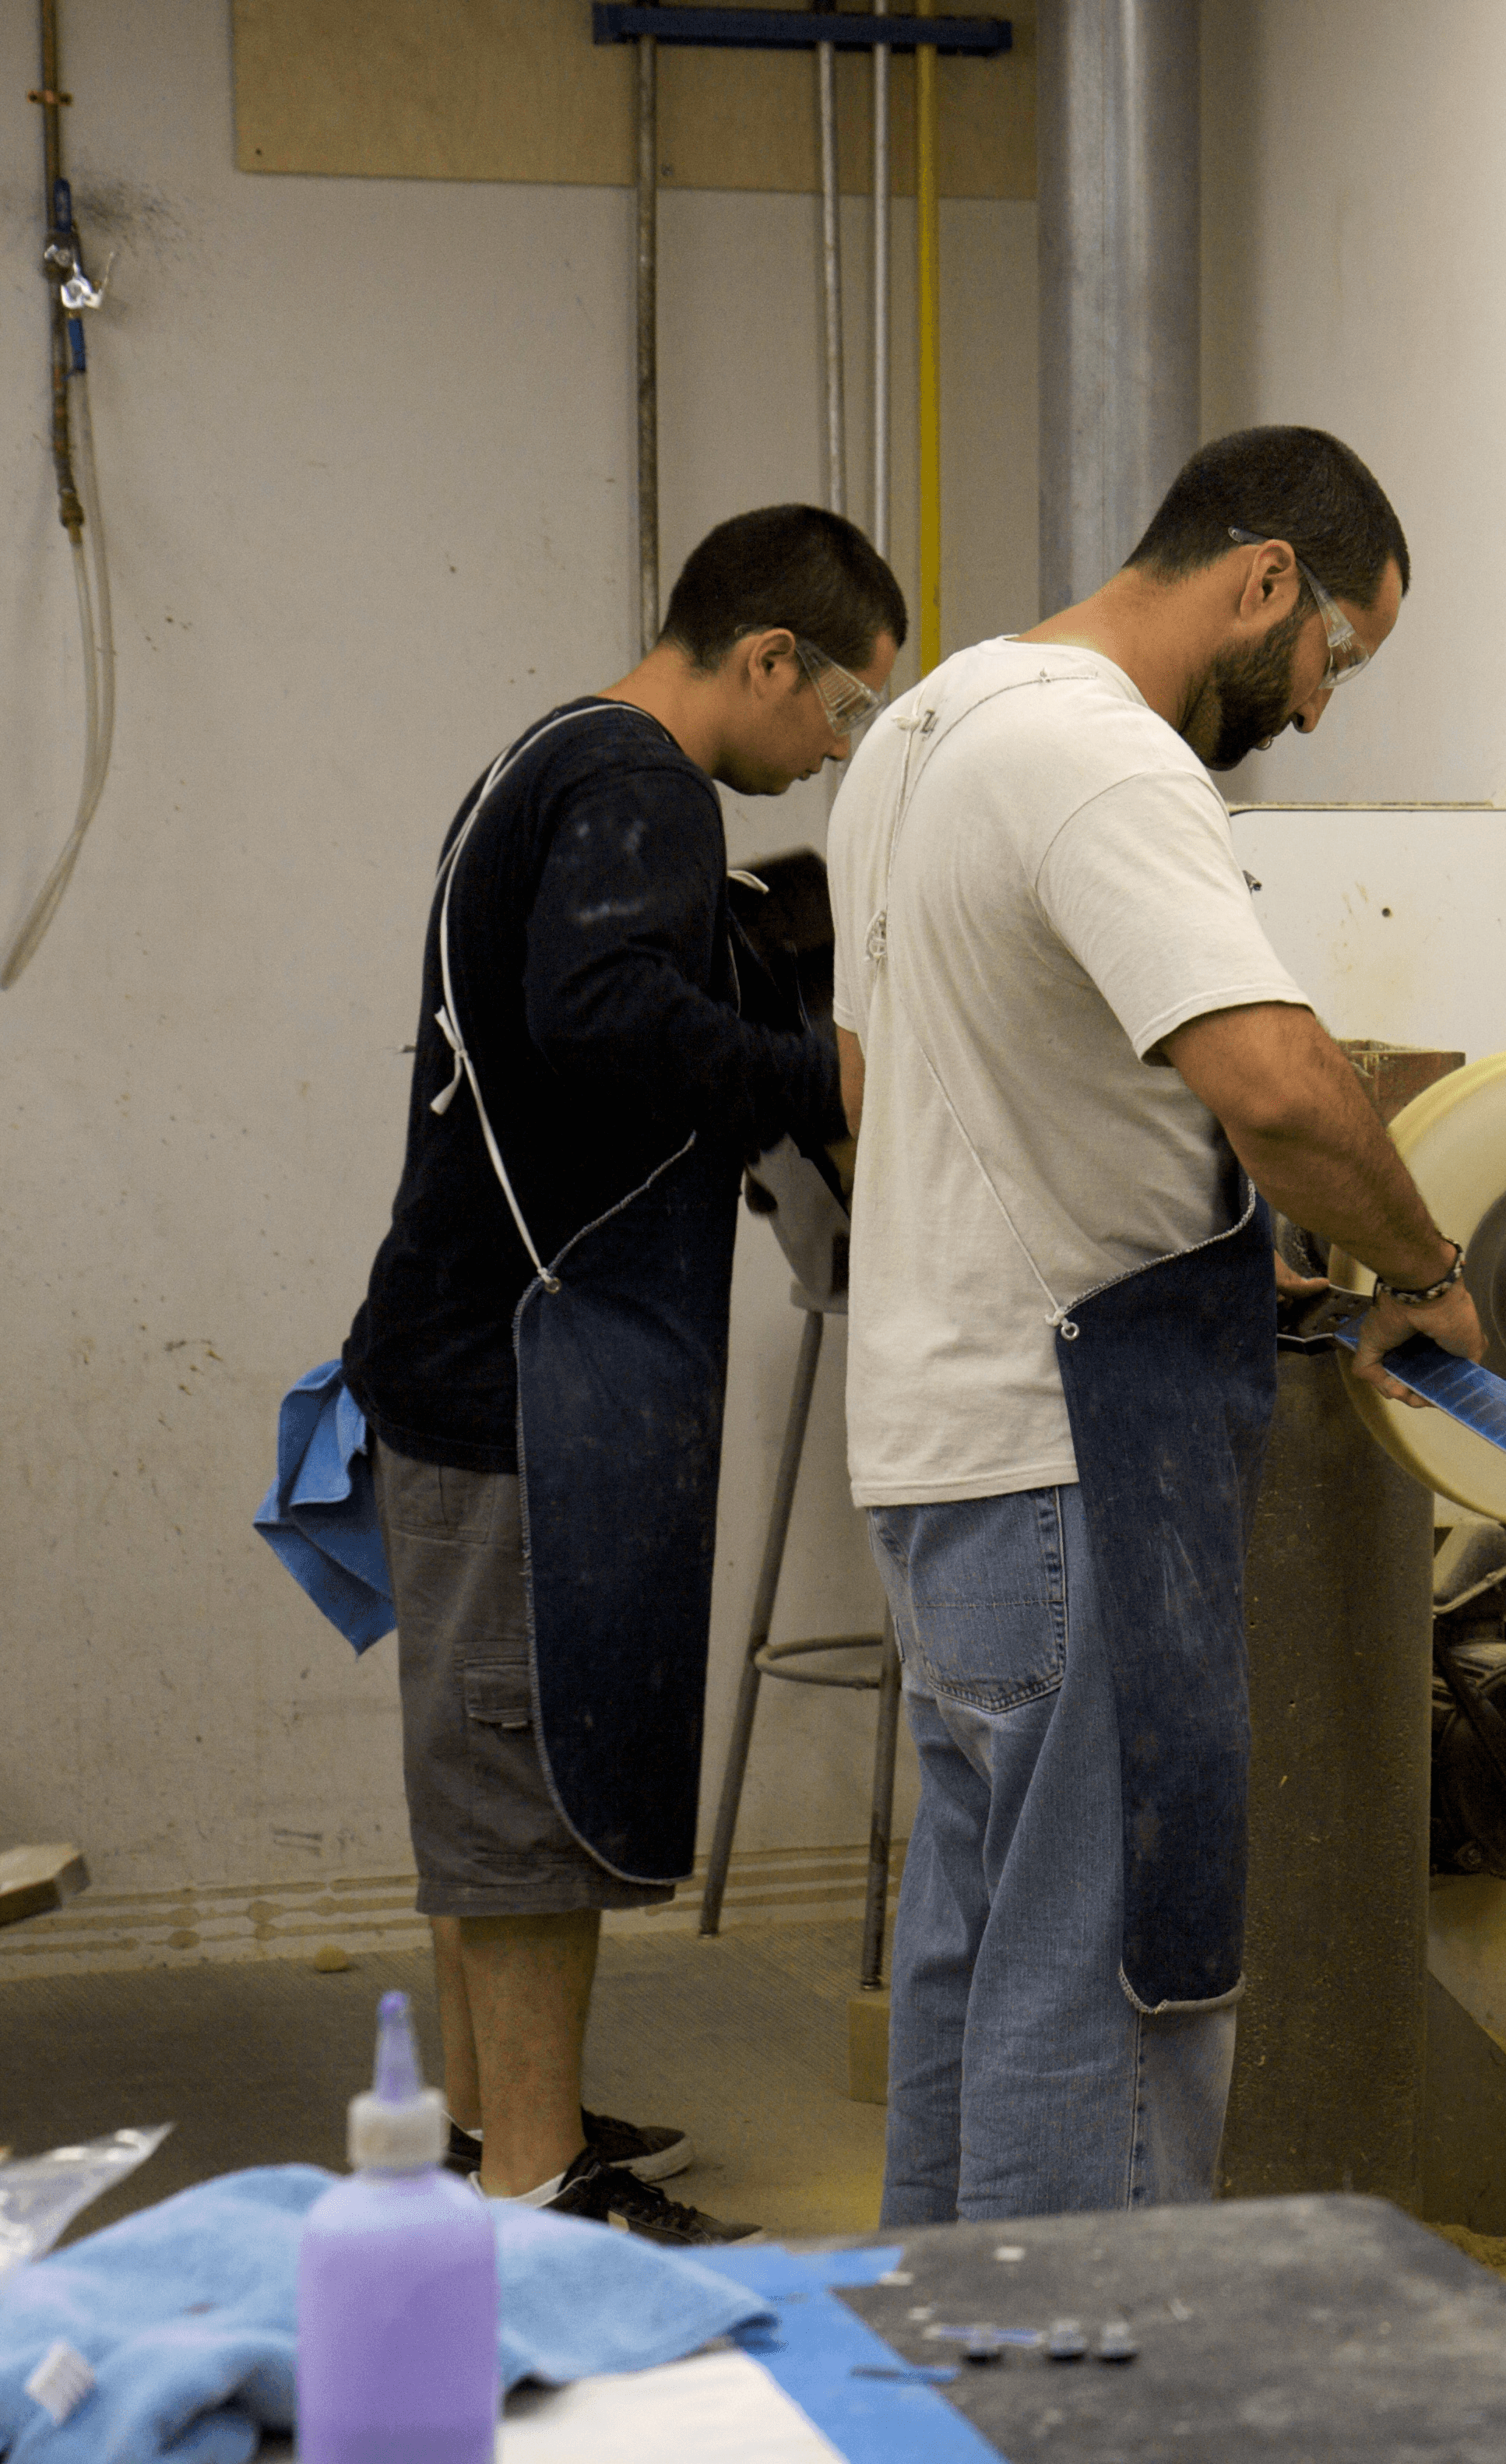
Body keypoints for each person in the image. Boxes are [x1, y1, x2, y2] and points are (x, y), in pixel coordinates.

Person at [827, 425, 1481, 2222]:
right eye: (1336, 655)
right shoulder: (1101, 762)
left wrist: (1191, 1234)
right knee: (1114, 1993)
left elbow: (890, 1091)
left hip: (936, 1454)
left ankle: (949, 2400)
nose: (1321, 707)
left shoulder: (921, 733)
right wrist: (1419, 1271)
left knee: (973, 1966)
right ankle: (1086, 2409)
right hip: (1075, 1468)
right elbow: (1280, 1085)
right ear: (1264, 579)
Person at [342, 506, 904, 2243]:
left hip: (465, 1346)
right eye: (842, 715)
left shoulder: (545, 757)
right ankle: (535, 2184)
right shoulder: (645, 785)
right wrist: (825, 1074)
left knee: (482, 1772)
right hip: (532, 1361)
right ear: (766, 660)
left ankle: (485, 2123)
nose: (828, 758)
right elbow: (601, 1016)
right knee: (522, 1783)